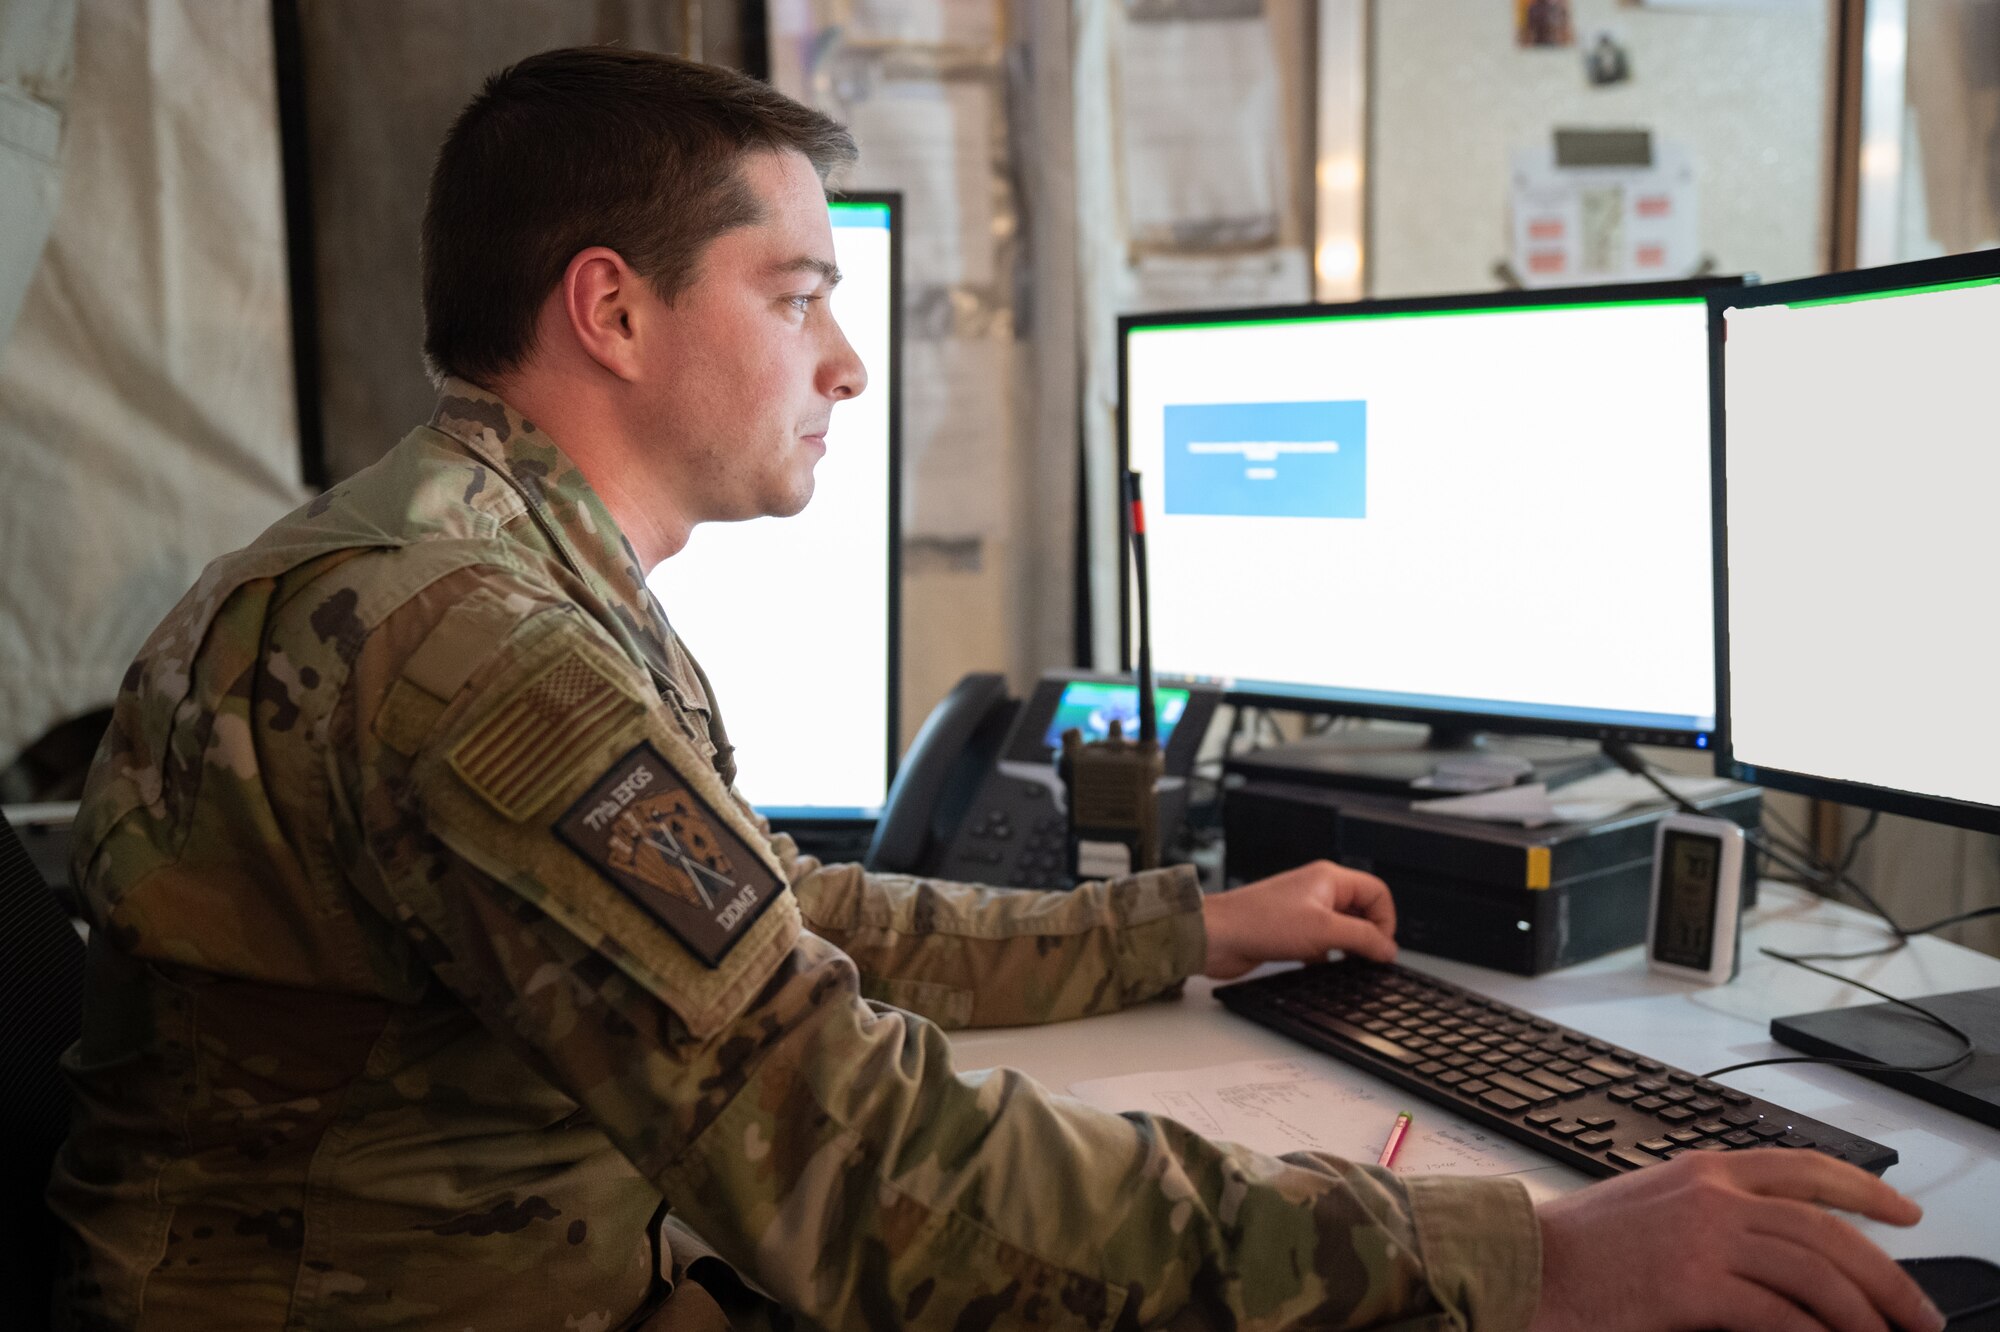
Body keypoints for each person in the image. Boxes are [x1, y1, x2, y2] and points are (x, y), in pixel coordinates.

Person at [48, 47, 1943, 1332]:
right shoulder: (482, 651)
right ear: (611, 310)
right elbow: (868, 1183)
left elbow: (774, 922)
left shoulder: (456, 555)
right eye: (796, 295)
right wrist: (1524, 1259)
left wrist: (1177, 927)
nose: (848, 364)